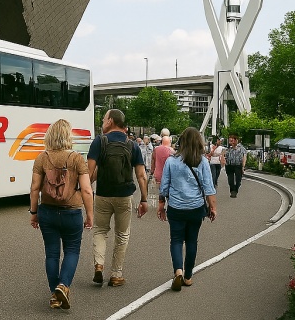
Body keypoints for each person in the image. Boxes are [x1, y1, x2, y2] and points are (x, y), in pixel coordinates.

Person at [30, 119, 94, 310]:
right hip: (71, 213)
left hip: (47, 212)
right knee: (72, 250)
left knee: (51, 253)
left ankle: (55, 295)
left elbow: (34, 188)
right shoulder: (76, 158)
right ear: (68, 136)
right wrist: (89, 214)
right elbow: (87, 190)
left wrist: (33, 212)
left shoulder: (41, 158)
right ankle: (63, 285)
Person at [87, 109, 148, 287]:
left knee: (100, 231)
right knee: (121, 234)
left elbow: (89, 172)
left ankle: (99, 265)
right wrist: (144, 199)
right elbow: (141, 175)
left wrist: (84, 192)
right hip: (124, 196)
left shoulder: (100, 141)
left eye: (104, 119)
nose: (103, 122)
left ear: (111, 121)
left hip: (103, 195)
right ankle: (116, 274)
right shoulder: (132, 145)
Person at [157, 127, 217, 291]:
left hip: (176, 207)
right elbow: (209, 187)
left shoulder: (171, 161)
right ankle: (188, 276)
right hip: (196, 208)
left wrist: (161, 205)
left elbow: (164, 186)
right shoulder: (202, 161)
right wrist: (213, 208)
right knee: (192, 241)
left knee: (176, 240)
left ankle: (178, 270)